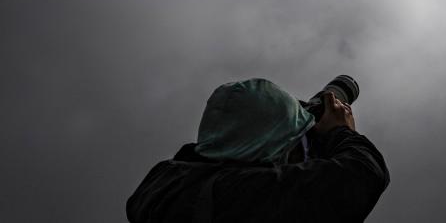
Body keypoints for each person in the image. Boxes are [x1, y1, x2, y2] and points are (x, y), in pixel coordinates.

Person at [127, 78, 389, 222]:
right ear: (269, 149)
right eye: (295, 147)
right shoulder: (238, 196)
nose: (301, 157)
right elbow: (362, 174)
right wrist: (340, 132)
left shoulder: (167, 182)